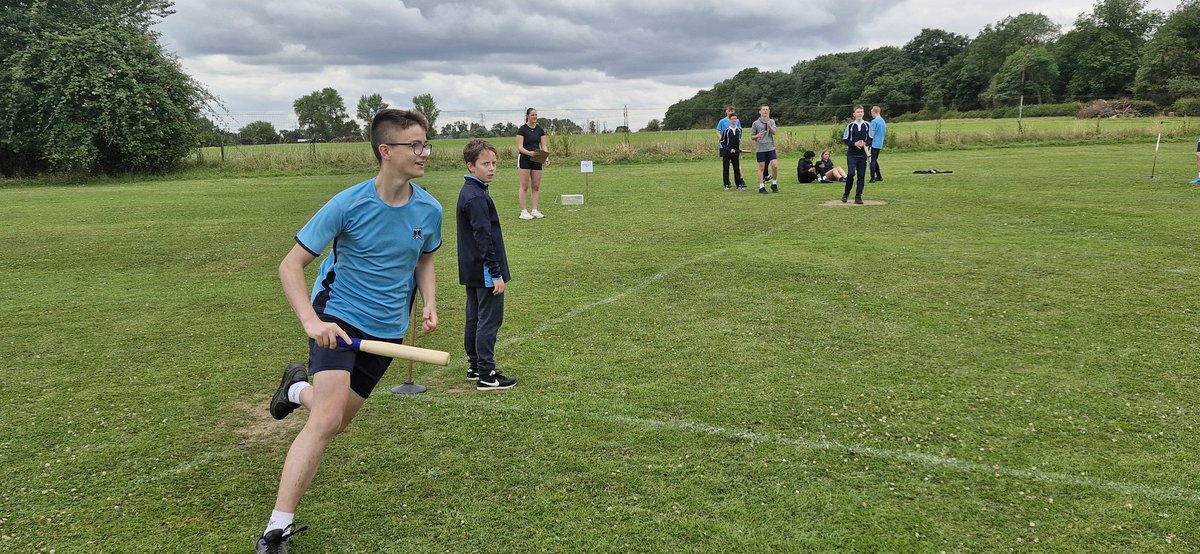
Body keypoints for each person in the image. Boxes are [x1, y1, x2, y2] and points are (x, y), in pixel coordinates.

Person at [257, 108, 442, 553]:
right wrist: (312, 322)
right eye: (414, 145)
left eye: (425, 143)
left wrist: (431, 301)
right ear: (386, 151)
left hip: (386, 332)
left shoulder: (429, 209)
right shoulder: (348, 203)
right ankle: (277, 530)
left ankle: (296, 388)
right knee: (324, 422)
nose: (424, 153)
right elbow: (290, 265)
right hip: (337, 319)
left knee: (337, 420)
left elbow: (424, 258)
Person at [457, 139, 517, 391]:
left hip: (471, 268)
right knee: (488, 320)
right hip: (483, 270)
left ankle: (475, 366)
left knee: (474, 317)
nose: (492, 168)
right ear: (471, 166)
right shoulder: (476, 198)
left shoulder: (471, 191)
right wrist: (496, 273)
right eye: (485, 164)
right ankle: (486, 374)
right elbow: (484, 238)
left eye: (494, 163)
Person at [515, 108, 548, 220]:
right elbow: (519, 146)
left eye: (536, 115)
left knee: (536, 186)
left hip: (538, 156)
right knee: (524, 186)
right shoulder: (522, 130)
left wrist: (546, 156)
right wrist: (529, 153)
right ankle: (523, 211)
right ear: (528, 116)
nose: (535, 117)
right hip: (525, 157)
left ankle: (534, 210)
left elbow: (543, 146)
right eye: (533, 115)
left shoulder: (540, 130)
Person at [842, 105, 871, 204]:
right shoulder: (850, 126)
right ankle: (846, 194)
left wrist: (865, 143)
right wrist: (855, 143)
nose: (860, 113)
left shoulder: (867, 125)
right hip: (852, 154)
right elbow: (845, 139)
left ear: (863, 113)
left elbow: (871, 138)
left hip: (862, 155)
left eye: (862, 112)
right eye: (858, 112)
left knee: (861, 176)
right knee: (851, 174)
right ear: (854, 114)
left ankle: (858, 197)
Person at [750, 104, 780, 194]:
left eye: (767, 109)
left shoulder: (771, 121)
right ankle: (761, 186)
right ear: (760, 111)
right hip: (761, 149)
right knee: (761, 168)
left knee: (775, 166)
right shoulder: (755, 123)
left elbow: (774, 133)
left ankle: (774, 184)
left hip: (771, 147)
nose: (765, 111)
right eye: (763, 109)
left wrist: (770, 126)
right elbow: (752, 137)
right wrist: (757, 136)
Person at [715, 104, 743, 190]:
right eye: (729, 110)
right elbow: (718, 132)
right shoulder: (722, 122)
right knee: (726, 167)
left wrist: (736, 147)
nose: (730, 112)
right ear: (726, 111)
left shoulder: (738, 124)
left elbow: (738, 135)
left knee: (736, 166)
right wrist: (726, 144)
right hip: (725, 148)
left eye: (732, 111)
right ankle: (726, 183)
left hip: (735, 149)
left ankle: (739, 183)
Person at [720, 113, 747, 191]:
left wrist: (737, 150)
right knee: (726, 169)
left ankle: (738, 184)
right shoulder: (726, 131)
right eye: (732, 119)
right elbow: (722, 142)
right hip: (727, 153)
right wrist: (729, 149)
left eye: (735, 119)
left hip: (735, 153)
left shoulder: (739, 130)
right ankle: (726, 184)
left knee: (736, 169)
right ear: (729, 120)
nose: (734, 120)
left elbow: (738, 141)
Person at [869, 106, 887, 183]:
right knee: (875, 160)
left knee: (871, 160)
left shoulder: (874, 121)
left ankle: (872, 177)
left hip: (874, 143)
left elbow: (872, 133)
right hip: (880, 143)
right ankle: (879, 176)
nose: (872, 115)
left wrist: (868, 142)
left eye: (872, 113)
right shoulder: (883, 121)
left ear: (874, 112)